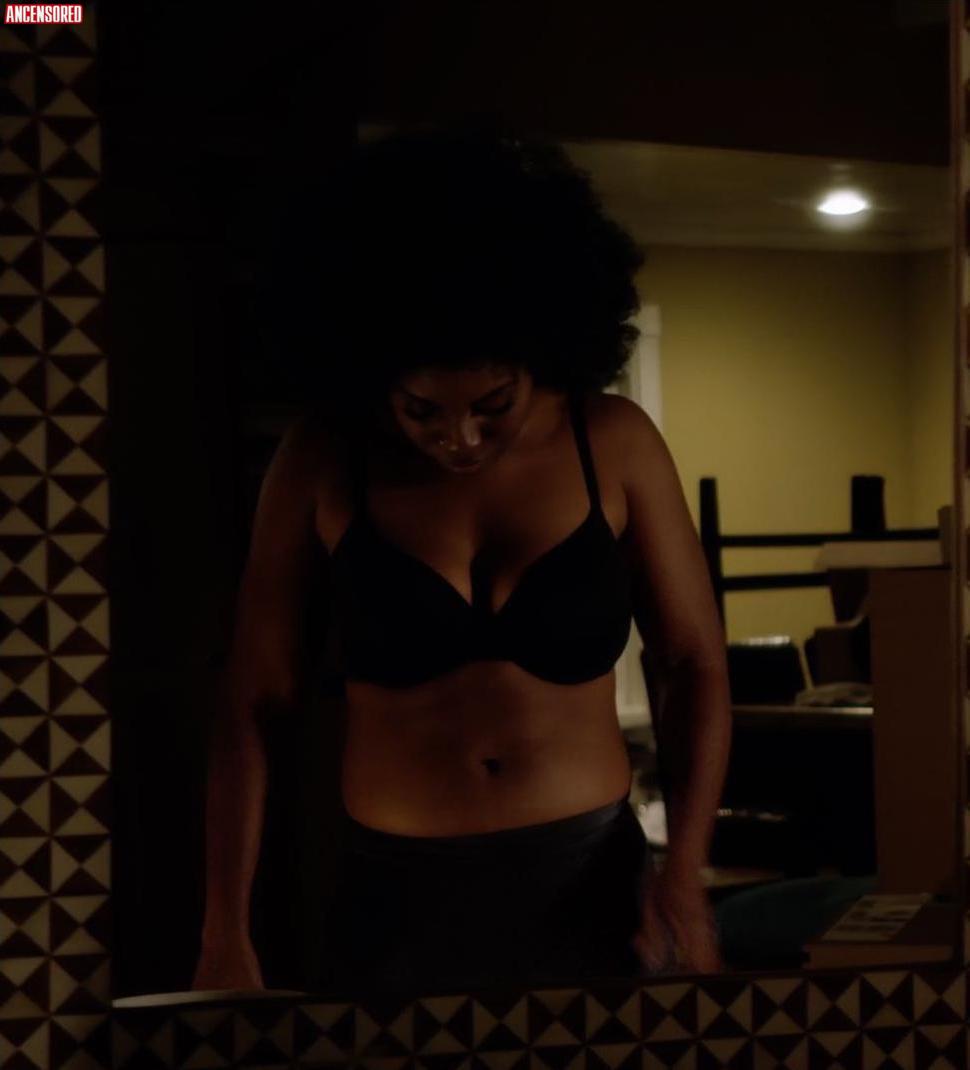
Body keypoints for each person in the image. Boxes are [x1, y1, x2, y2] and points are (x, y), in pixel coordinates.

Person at [190, 123, 732, 997]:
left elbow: (693, 664)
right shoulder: (323, 460)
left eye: (493, 404)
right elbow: (251, 701)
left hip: (592, 885)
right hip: (396, 898)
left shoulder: (614, 442)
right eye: (421, 411)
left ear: (542, 355)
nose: (461, 438)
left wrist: (688, 870)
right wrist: (225, 927)